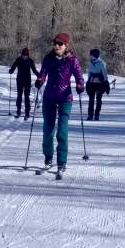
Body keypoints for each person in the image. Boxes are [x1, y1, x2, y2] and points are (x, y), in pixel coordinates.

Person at [34, 33, 84, 174]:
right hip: (49, 97)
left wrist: (80, 85)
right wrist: (40, 80)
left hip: (65, 98)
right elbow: (42, 73)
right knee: (48, 131)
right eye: (55, 43)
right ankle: (48, 158)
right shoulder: (48, 58)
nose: (56, 46)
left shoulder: (72, 60)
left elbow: (79, 77)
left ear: (66, 46)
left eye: (60, 44)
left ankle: (61, 162)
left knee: (62, 131)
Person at [9, 47, 40, 120]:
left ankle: (27, 113)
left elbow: (34, 70)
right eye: (23, 55)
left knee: (26, 96)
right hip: (19, 80)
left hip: (27, 81)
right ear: (22, 54)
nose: (25, 57)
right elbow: (13, 67)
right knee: (19, 96)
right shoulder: (18, 60)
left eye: (26, 55)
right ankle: (18, 111)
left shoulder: (30, 61)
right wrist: (11, 70)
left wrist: (39, 75)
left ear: (28, 55)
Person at [86, 48, 109, 121]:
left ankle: (96, 115)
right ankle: (90, 115)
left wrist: (106, 83)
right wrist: (88, 82)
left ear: (95, 55)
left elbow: (105, 74)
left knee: (98, 100)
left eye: (91, 55)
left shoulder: (102, 63)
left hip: (99, 84)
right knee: (91, 100)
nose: (90, 56)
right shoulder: (90, 63)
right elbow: (89, 73)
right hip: (92, 83)